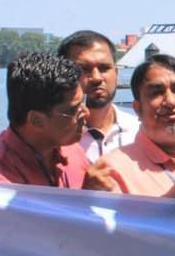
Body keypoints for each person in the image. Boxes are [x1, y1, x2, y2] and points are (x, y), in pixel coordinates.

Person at [82, 55, 175, 207]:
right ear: (137, 109)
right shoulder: (111, 171)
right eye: (157, 93)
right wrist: (162, 208)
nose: (171, 101)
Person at [0, 52, 89, 188]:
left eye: (83, 102)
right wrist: (90, 194)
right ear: (36, 120)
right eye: (73, 110)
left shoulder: (71, 149)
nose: (86, 113)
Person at [57, 31, 139, 161]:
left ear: (116, 73)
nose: (96, 78)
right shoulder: (52, 141)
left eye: (104, 68)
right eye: (84, 69)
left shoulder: (140, 132)